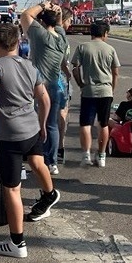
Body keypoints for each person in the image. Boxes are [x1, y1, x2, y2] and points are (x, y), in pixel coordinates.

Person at [0, 22, 60, 258]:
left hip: (9, 135)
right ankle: (50, 193)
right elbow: (44, 99)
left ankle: (17, 242)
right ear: (17, 42)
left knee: (12, 189)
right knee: (36, 162)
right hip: (31, 128)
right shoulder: (30, 66)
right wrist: (42, 124)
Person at [20, 0, 69, 175]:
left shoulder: (40, 35)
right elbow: (60, 24)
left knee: (34, 123)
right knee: (52, 125)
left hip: (38, 85)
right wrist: (58, 12)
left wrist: (42, 5)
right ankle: (52, 161)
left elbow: (25, 15)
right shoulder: (61, 37)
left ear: (41, 22)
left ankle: (36, 158)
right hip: (56, 84)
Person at [71, 20, 121, 168]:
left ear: (91, 33)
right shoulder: (110, 49)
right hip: (106, 91)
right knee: (103, 124)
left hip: (88, 91)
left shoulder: (82, 47)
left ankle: (86, 155)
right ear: (105, 33)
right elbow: (116, 73)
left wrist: (81, 83)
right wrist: (111, 89)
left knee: (86, 124)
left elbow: (75, 68)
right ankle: (101, 155)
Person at [57, 9, 75, 163]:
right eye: (69, 20)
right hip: (61, 80)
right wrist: (68, 73)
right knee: (62, 113)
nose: (70, 24)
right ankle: (59, 146)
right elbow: (62, 60)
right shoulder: (60, 37)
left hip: (54, 79)